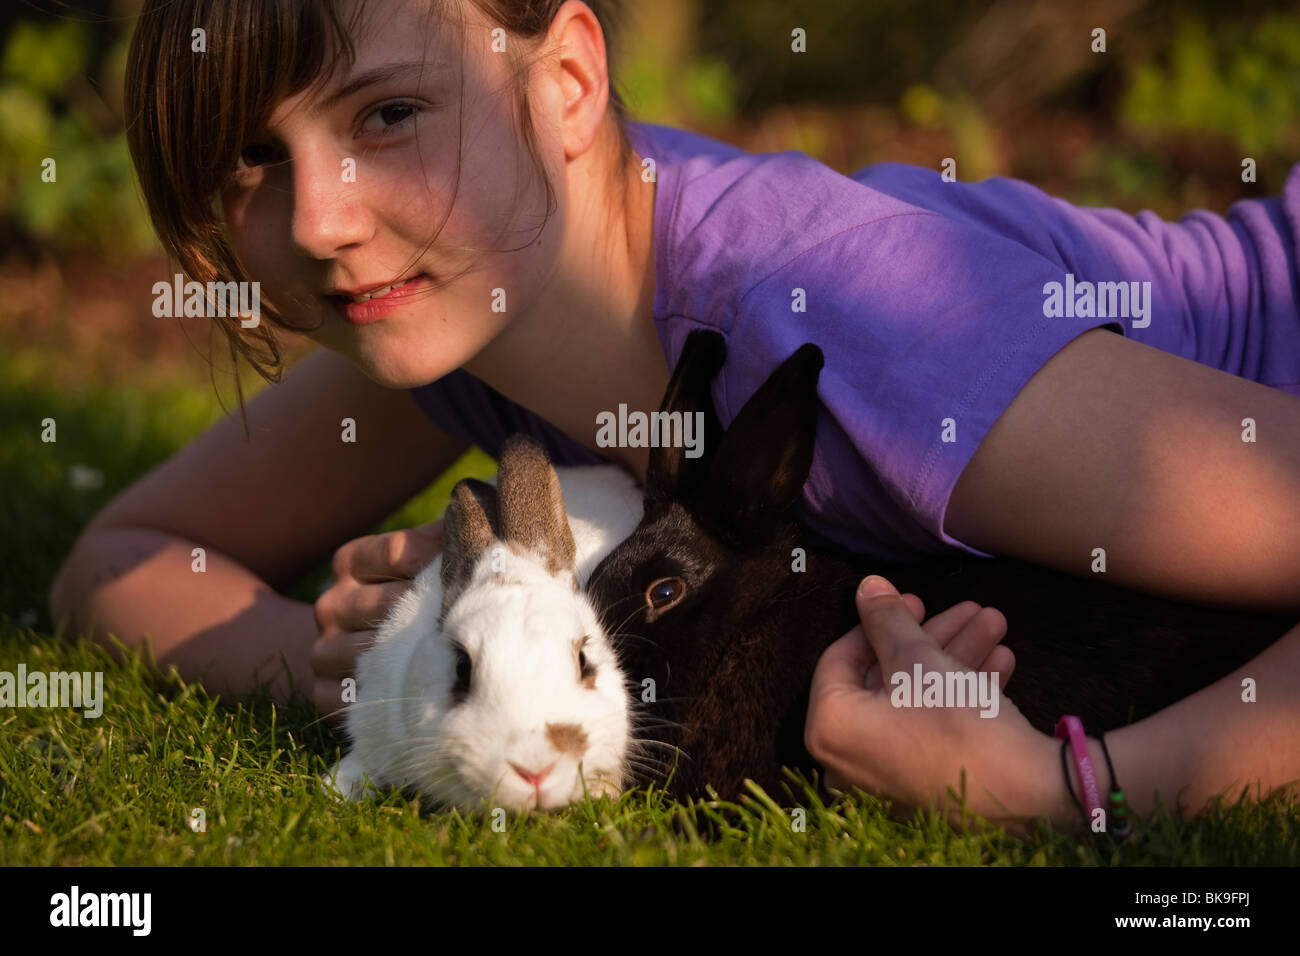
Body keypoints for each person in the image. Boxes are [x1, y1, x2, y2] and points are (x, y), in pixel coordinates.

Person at [49, 0, 1300, 835]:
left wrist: (1060, 787)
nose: (320, 217)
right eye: (254, 160)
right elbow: (125, 557)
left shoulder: (848, 326)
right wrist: (419, 683)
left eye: (389, 116)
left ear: (570, 82)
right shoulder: (463, 314)